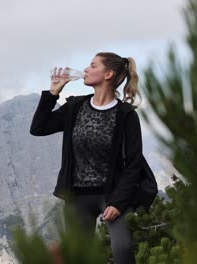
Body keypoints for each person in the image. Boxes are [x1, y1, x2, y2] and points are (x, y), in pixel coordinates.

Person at [30, 52, 142, 264]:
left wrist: (118, 203)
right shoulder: (75, 107)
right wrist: (52, 94)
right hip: (78, 196)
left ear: (108, 74)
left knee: (123, 248)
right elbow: (39, 128)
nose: (86, 69)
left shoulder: (126, 114)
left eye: (93, 65)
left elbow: (134, 164)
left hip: (113, 195)